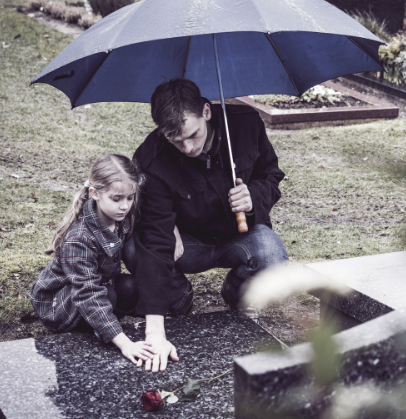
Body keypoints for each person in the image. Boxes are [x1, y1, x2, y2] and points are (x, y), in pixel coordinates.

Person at [123, 78, 288, 373]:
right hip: (187, 243)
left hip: (239, 235)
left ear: (207, 112)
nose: (187, 148)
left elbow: (271, 176)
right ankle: (179, 299)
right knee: (136, 249)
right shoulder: (151, 158)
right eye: (176, 141)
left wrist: (254, 197)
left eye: (193, 135)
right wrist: (155, 334)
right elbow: (155, 241)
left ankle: (237, 293)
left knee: (272, 256)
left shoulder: (246, 124)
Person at [29, 154, 155, 367]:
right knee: (106, 296)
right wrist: (124, 343)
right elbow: (87, 293)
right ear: (95, 193)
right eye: (117, 199)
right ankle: (96, 328)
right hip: (60, 305)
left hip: (100, 286)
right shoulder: (79, 239)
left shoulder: (120, 217)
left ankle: (101, 322)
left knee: (132, 287)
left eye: (130, 198)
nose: (125, 206)